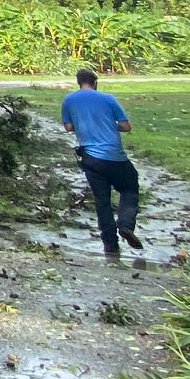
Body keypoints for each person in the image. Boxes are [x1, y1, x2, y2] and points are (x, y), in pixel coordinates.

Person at [60, 68, 142, 257]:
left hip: (90, 158)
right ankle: (126, 225)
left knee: (102, 201)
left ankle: (110, 245)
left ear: (78, 82)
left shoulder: (69, 100)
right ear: (95, 82)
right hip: (114, 155)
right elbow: (126, 126)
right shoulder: (108, 98)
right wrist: (109, 125)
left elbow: (68, 127)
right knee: (130, 187)